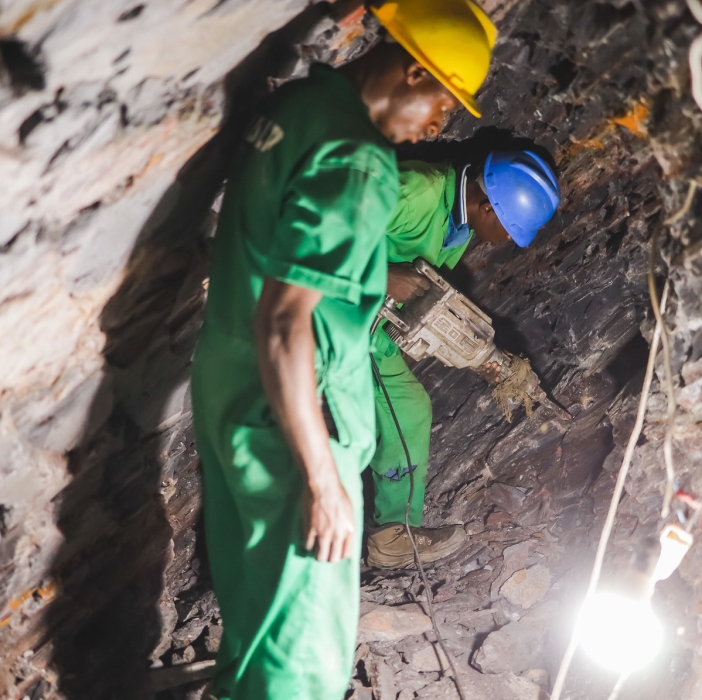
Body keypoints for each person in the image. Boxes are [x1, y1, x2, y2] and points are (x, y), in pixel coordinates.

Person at [188, 0, 496, 696]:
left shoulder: (299, 106)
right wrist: (324, 479)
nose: (441, 125)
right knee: (303, 662)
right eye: (445, 103)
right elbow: (286, 319)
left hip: (228, 387)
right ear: (416, 70)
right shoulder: (362, 161)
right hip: (295, 425)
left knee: (254, 629)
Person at [364, 150, 561, 569]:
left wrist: (484, 358)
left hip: (371, 338)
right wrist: (382, 273)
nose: (508, 240)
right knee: (344, 435)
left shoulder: (458, 228)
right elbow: (315, 227)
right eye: (509, 229)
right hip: (318, 318)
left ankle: (394, 536)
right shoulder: (418, 192)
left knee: (411, 410)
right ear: (488, 204)